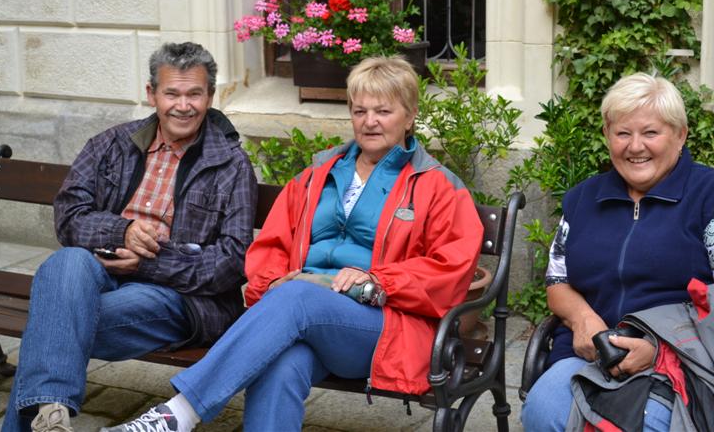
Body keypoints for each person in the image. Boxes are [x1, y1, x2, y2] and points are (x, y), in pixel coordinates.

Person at [102, 56, 484, 432]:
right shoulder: (316, 176)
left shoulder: (436, 186)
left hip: (381, 325)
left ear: (410, 115)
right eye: (360, 111)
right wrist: (273, 283)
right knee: (281, 366)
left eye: (383, 111)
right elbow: (271, 246)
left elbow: (451, 267)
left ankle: (178, 414)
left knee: (298, 296)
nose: (370, 121)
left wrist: (378, 280)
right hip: (304, 315)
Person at [4, 42, 258, 432]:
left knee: (53, 320)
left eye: (194, 94)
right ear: (151, 93)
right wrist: (120, 231)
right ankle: (52, 412)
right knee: (67, 262)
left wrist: (148, 261)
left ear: (210, 96)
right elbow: (68, 215)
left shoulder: (230, 164)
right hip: (100, 272)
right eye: (172, 93)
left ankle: (44, 411)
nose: (183, 105)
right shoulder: (111, 144)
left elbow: (233, 260)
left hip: (178, 296)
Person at [521, 73, 714, 431]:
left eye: (651, 133)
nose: (635, 146)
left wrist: (660, 350)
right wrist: (582, 318)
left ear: (680, 135)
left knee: (643, 424)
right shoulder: (583, 199)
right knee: (543, 409)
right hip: (591, 358)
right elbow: (558, 282)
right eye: (623, 133)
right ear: (607, 135)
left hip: (686, 368)